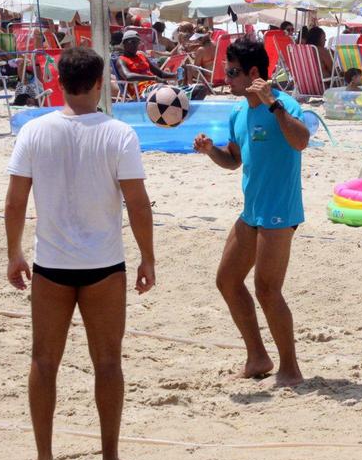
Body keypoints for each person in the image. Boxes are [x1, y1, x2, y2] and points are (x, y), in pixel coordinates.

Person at [4, 46, 155, 460]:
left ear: (58, 81)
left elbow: (15, 202)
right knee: (108, 361)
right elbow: (138, 204)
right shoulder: (119, 133)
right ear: (97, 83)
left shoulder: (34, 131)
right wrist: (148, 257)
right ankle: (109, 457)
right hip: (104, 264)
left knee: (43, 361)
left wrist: (14, 253)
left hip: (51, 263)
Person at [193, 39, 309, 387]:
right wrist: (211, 151)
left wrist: (274, 105)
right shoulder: (238, 112)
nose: (226, 79)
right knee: (227, 280)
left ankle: (290, 368)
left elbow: (301, 141)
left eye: (232, 72)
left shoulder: (284, 106)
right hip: (252, 212)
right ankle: (257, 357)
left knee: (267, 290)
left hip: (279, 213)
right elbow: (234, 160)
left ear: (254, 73)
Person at [116, 30, 176, 96]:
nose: (135, 45)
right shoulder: (121, 60)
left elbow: (160, 73)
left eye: (137, 42)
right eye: (132, 42)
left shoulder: (141, 56)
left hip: (154, 85)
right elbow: (128, 76)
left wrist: (176, 75)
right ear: (124, 43)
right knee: (167, 90)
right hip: (141, 91)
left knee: (180, 90)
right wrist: (153, 78)